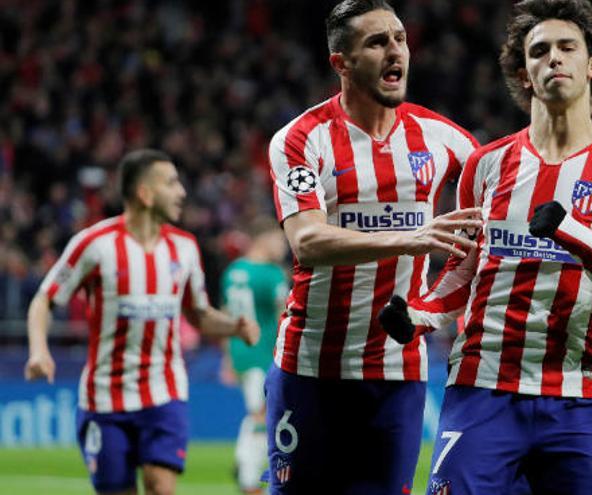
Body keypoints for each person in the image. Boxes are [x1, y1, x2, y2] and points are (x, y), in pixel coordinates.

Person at [380, 1, 592, 493]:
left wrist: (573, 234)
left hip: (577, 398)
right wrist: (420, 316)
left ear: (591, 66)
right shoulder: (484, 166)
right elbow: (463, 271)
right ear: (525, 74)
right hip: (482, 389)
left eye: (566, 47)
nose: (554, 58)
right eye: (540, 51)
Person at [263, 1, 482, 493]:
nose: (395, 51)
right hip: (310, 366)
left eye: (400, 39)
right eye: (377, 42)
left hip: (397, 370)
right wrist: (414, 238)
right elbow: (308, 240)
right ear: (341, 62)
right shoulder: (301, 140)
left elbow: (492, 214)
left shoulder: (444, 139)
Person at [24, 148, 260, 495]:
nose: (181, 192)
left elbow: (197, 314)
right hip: (105, 397)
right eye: (171, 183)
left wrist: (233, 327)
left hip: (165, 392)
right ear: (144, 194)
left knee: (161, 486)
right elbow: (44, 298)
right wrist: (39, 351)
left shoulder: (185, 248)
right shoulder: (94, 245)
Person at [220, 217, 289, 495]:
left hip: (240, 352)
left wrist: (228, 356)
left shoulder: (232, 271)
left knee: (258, 413)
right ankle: (249, 480)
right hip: (262, 353)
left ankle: (242, 461)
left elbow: (225, 315)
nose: (283, 247)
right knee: (263, 415)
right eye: (279, 240)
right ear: (263, 239)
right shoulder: (271, 274)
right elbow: (283, 313)